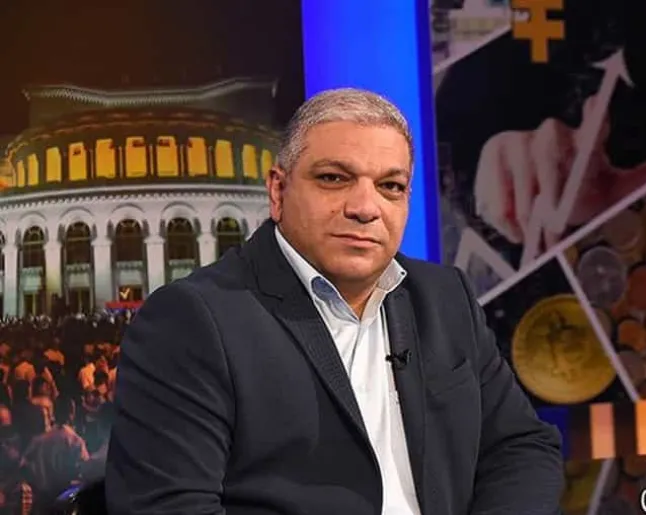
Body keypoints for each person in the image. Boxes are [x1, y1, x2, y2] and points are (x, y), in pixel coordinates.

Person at [105, 88, 564, 514]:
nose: (365, 208)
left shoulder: (445, 297)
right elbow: (169, 507)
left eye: (391, 186)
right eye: (334, 178)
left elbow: (521, 446)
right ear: (278, 191)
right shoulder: (191, 320)